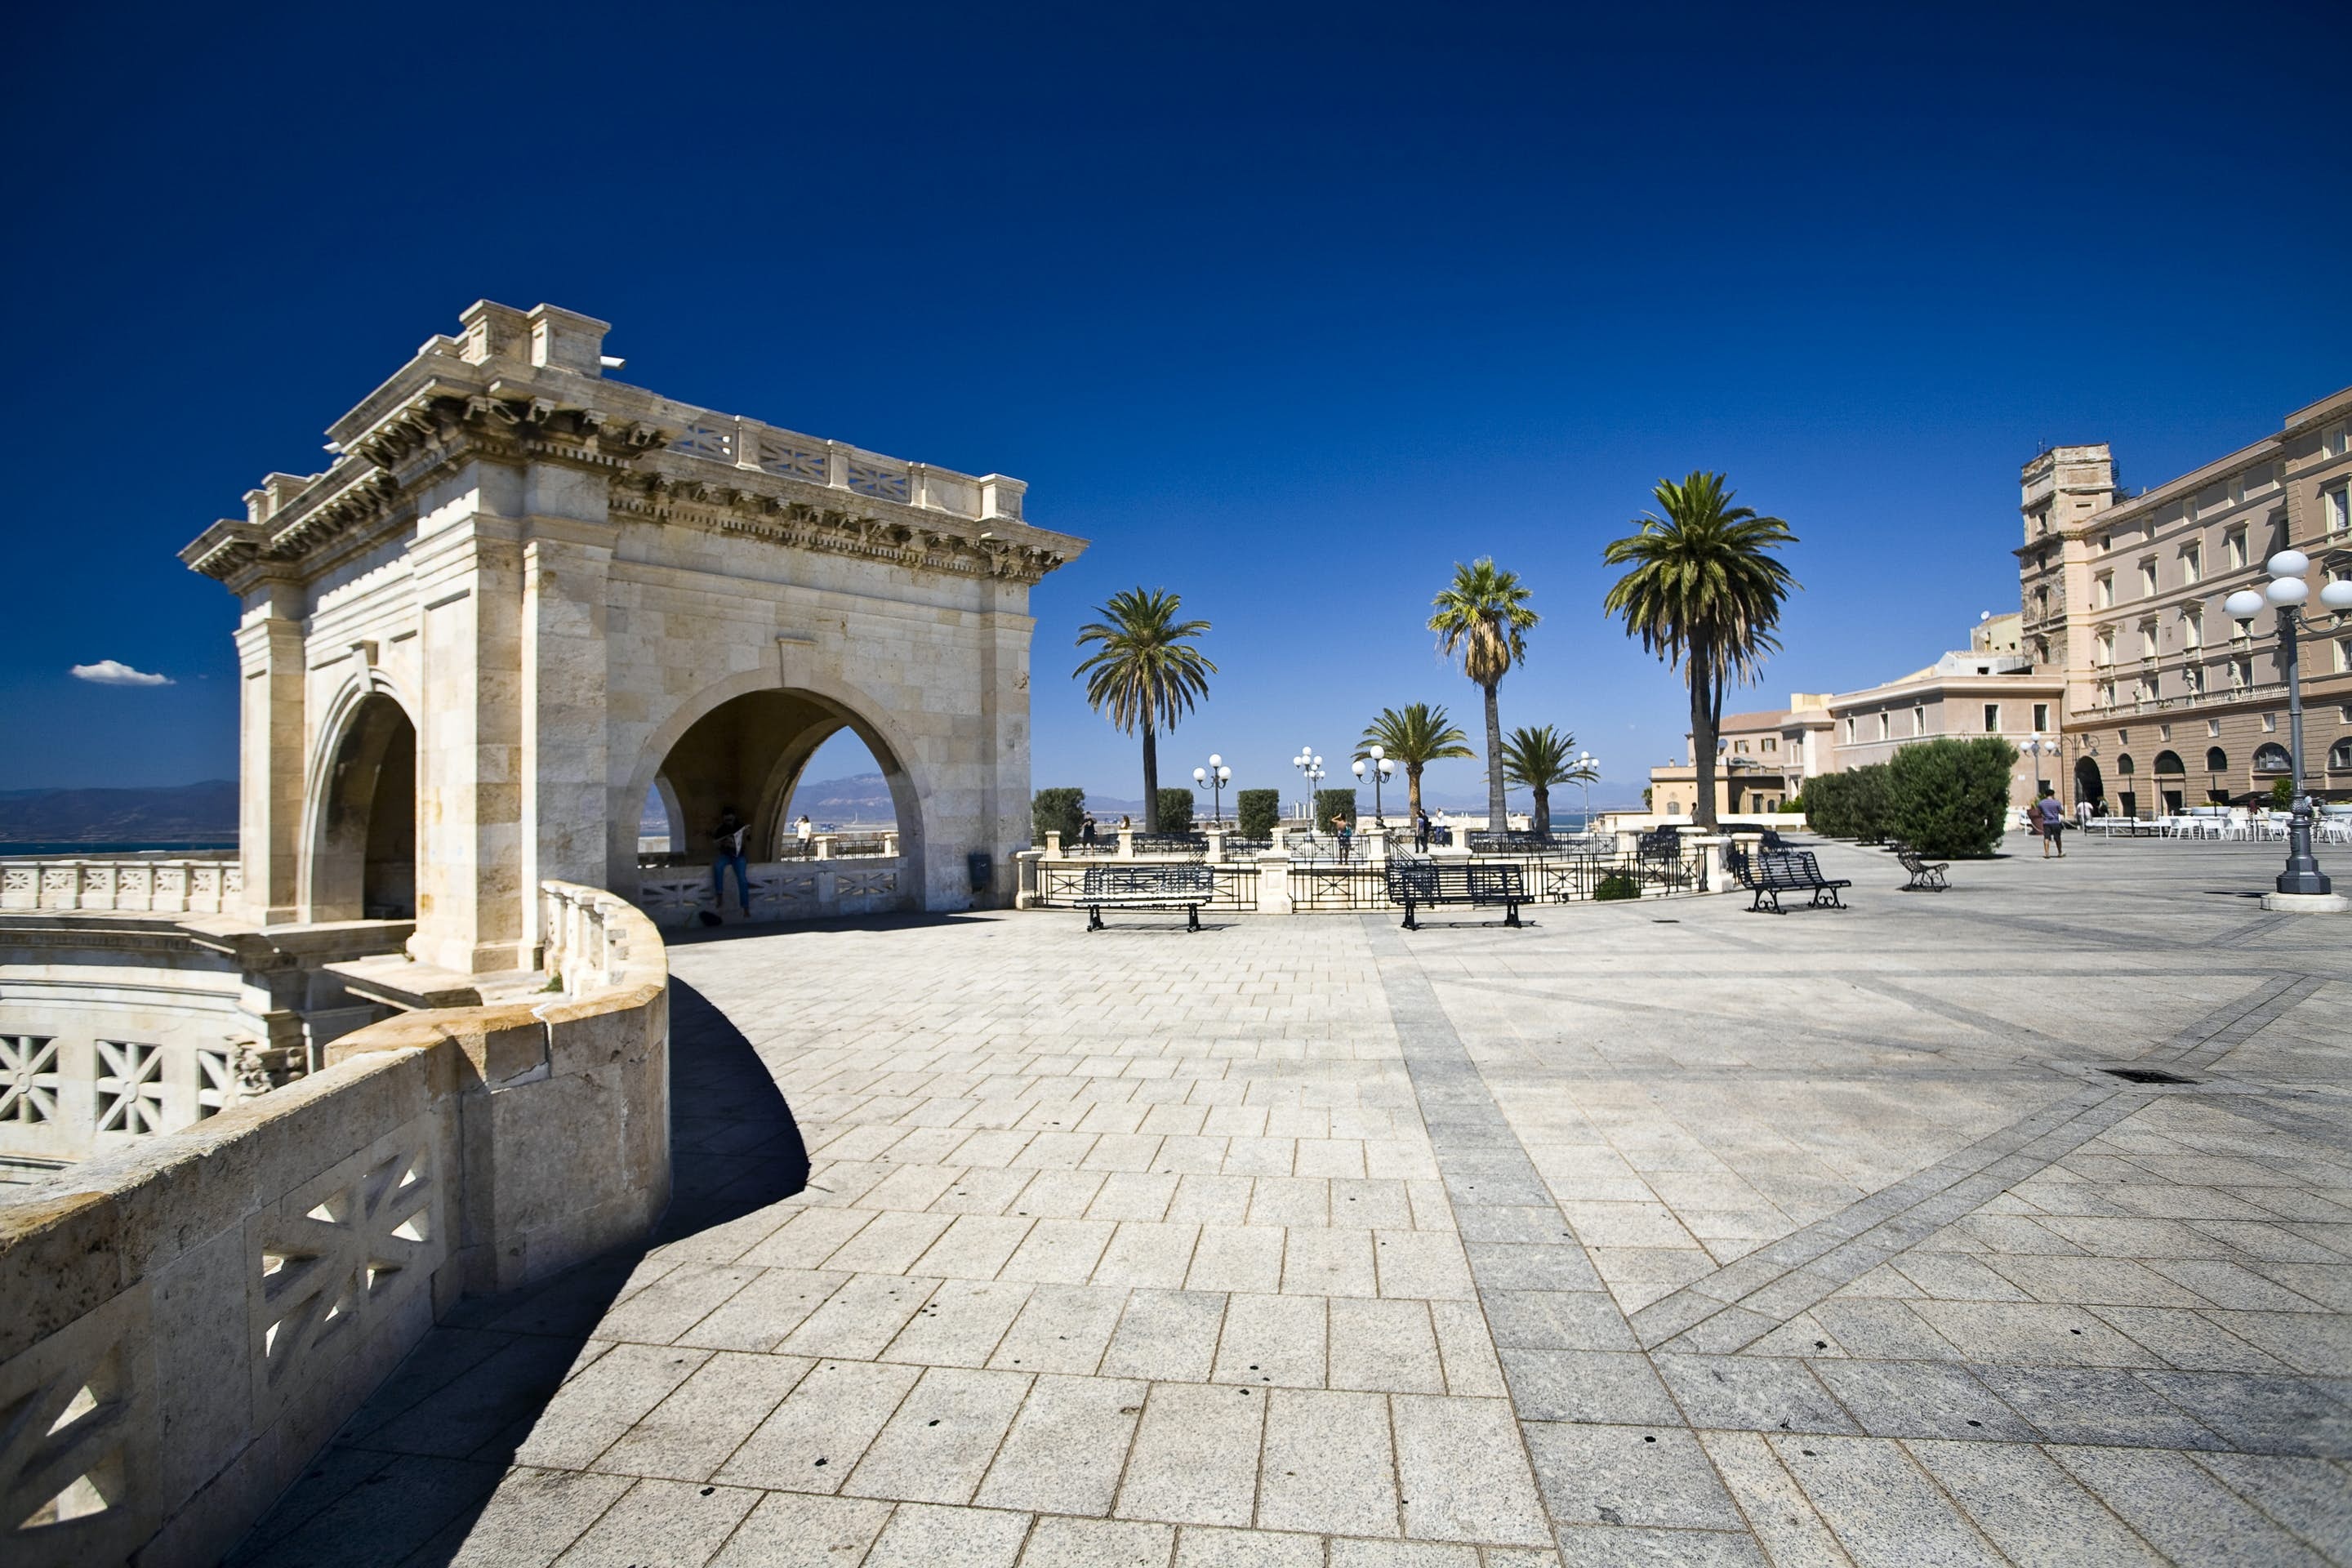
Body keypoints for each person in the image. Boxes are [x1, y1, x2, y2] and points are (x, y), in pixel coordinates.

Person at [710, 808, 751, 913]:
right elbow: (715, 843)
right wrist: (723, 842)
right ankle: (720, 894)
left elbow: (748, 839)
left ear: (734, 817)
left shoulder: (741, 826)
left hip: (739, 856)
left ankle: (745, 906)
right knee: (718, 866)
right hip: (726, 854)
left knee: (742, 879)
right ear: (723, 818)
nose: (729, 821)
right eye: (727, 819)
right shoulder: (720, 829)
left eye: (730, 819)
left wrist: (747, 833)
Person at [2034, 788, 2067, 858]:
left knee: (2046, 838)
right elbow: (2061, 812)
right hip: (2055, 822)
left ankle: (2047, 853)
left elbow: (2039, 813)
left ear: (2045, 795)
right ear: (2053, 794)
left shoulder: (2041, 803)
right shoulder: (2057, 803)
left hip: (2046, 822)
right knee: (2057, 838)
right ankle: (2060, 852)